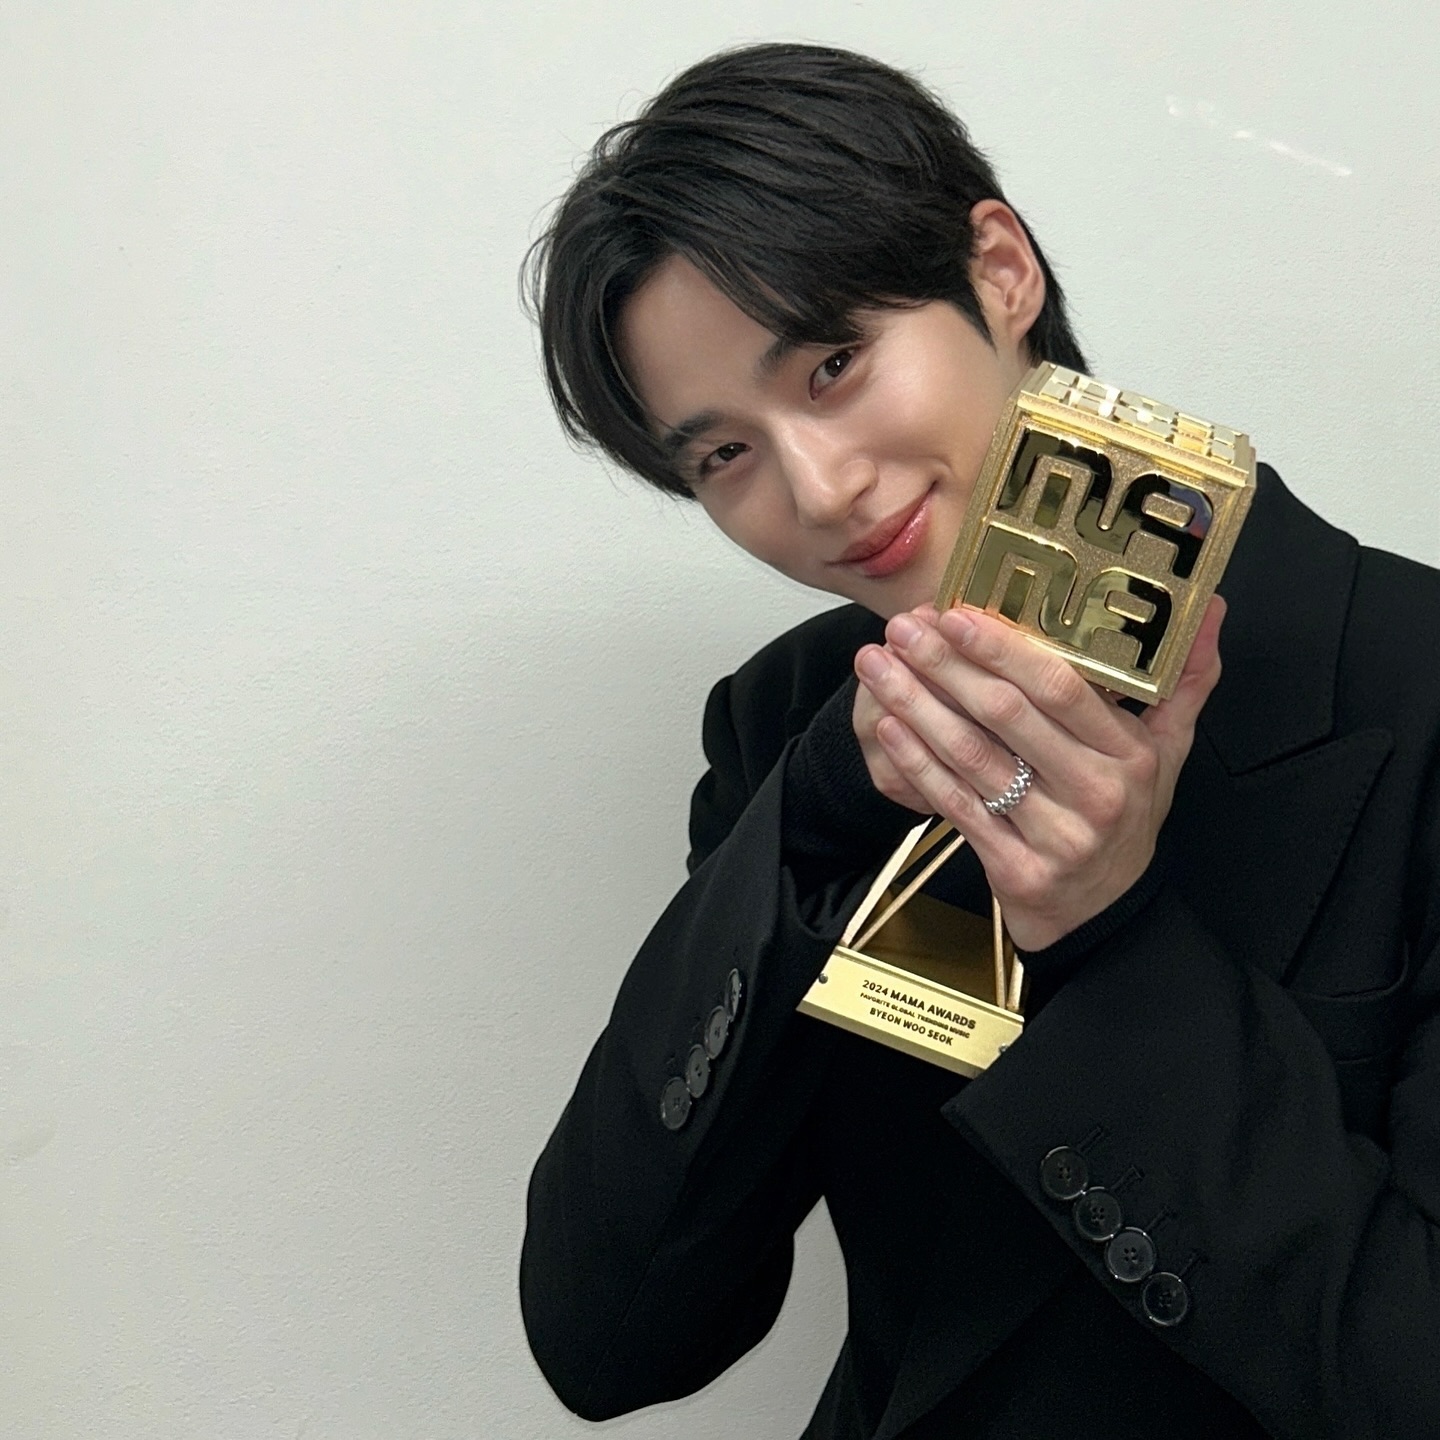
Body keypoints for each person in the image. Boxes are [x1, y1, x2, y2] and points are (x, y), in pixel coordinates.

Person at [517, 42, 1440, 1440]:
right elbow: (608, 1340)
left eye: (834, 363)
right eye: (723, 456)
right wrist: (811, 812)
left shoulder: (1407, 683)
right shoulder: (789, 726)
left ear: (1000, 273)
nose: (820, 491)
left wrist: (1109, 938)